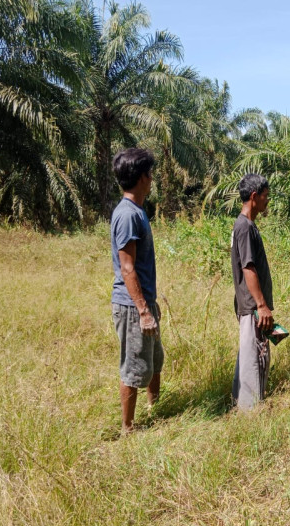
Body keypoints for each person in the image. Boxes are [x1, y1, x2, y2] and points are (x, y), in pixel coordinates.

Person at [110, 148, 164, 434]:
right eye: (150, 173)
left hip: (144, 302)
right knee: (133, 367)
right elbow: (127, 268)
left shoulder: (138, 211)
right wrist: (143, 310)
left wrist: (151, 304)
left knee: (154, 360)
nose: (152, 178)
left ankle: (155, 411)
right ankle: (127, 428)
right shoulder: (128, 215)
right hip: (132, 306)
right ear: (142, 177)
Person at [230, 173, 273, 412]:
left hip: (251, 305)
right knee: (252, 359)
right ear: (254, 197)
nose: (268, 201)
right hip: (251, 306)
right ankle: (249, 413)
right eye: (266, 197)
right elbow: (248, 267)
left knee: (253, 354)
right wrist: (261, 305)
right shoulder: (244, 227)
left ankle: (243, 404)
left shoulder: (247, 225)